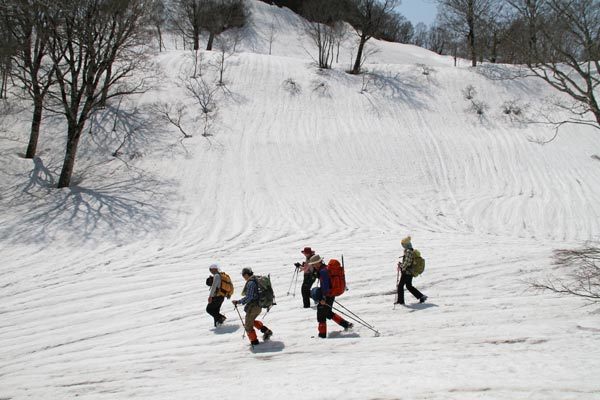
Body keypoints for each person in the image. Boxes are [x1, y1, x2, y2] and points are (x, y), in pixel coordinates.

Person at [308, 254, 352, 338]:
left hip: (326, 295)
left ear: (317, 263)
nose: (313, 266)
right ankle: (346, 324)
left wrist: (322, 299)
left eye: (313, 264)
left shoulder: (323, 271)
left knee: (321, 315)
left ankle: (322, 336)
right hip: (331, 294)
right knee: (327, 312)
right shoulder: (325, 268)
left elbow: (325, 287)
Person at [232, 267, 273, 346]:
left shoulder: (251, 282)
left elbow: (249, 297)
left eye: (243, 276)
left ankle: (254, 343)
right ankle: (267, 331)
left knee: (248, 326)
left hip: (253, 307)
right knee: (252, 321)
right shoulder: (256, 280)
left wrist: (238, 302)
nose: (244, 278)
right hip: (258, 306)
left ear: (246, 274)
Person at [396, 236, 427, 305]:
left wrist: (401, 266)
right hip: (410, 271)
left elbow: (407, 262)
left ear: (406, 244)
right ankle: (421, 296)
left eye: (403, 244)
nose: (402, 246)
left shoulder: (408, 251)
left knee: (400, 286)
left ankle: (400, 301)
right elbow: (408, 262)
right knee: (408, 286)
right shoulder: (411, 250)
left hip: (407, 272)